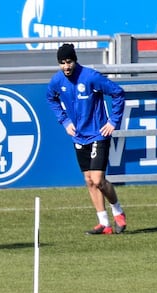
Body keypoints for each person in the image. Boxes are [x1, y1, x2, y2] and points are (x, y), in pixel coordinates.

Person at [46, 43, 128, 235]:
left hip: (98, 133)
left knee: (98, 179)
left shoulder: (90, 77)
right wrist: (65, 121)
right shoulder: (57, 81)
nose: (66, 67)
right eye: (62, 63)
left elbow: (118, 92)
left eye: (69, 62)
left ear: (75, 60)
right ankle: (104, 224)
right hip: (78, 136)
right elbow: (51, 98)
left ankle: (118, 211)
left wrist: (113, 121)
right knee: (89, 180)